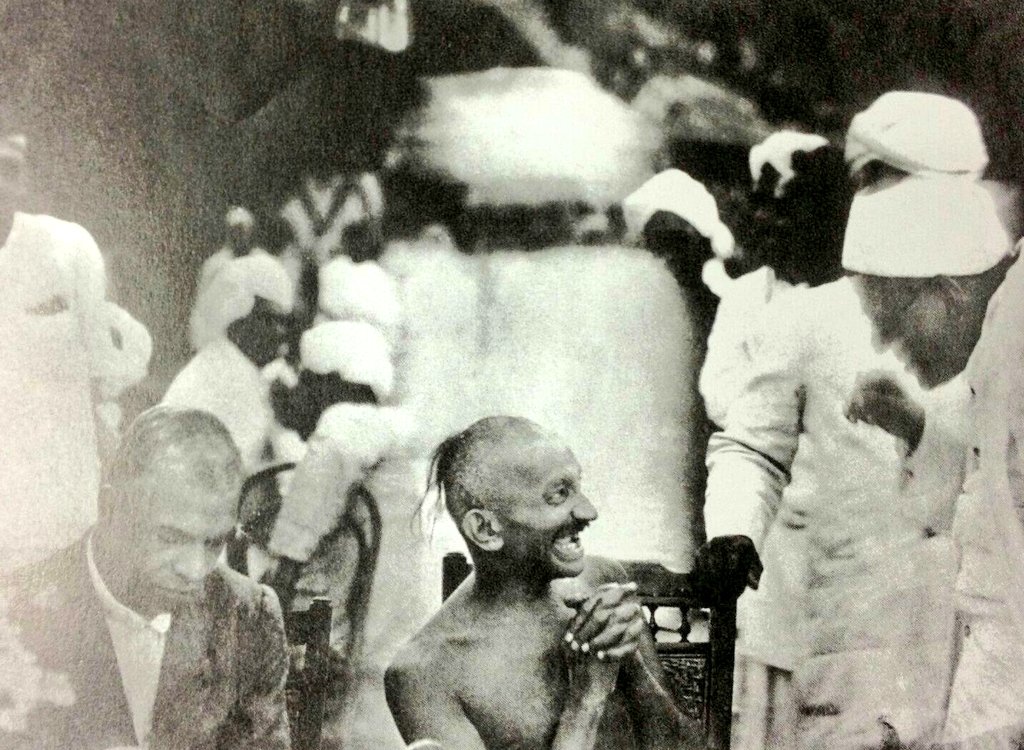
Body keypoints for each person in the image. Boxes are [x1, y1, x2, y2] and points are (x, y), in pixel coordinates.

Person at [701, 92, 1013, 749]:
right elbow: (751, 444)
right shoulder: (807, 319)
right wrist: (732, 528)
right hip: (856, 621)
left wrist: (919, 429)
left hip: (980, 619)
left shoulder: (998, 315)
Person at [385, 416, 701, 750]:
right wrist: (587, 697)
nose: (589, 512)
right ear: (486, 530)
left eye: (577, 488)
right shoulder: (424, 674)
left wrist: (631, 664)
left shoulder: (601, 581)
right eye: (559, 494)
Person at [0, 406, 291, 749]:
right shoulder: (14, 614)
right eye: (170, 538)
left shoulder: (248, 616)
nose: (195, 569)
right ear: (111, 509)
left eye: (213, 542)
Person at [0, 122, 121, 570]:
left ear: (28, 176)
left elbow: (104, 370)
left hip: (59, 488)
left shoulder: (69, 246)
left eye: (8, 168)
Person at [700, 131, 850, 427]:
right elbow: (718, 397)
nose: (763, 219)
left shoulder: (854, 297)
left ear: (819, 213)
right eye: (758, 204)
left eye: (781, 206)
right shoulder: (745, 296)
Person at [163, 252, 294, 473]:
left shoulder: (255, 372)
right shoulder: (218, 373)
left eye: (285, 322)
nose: (282, 333)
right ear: (237, 319)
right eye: (270, 321)